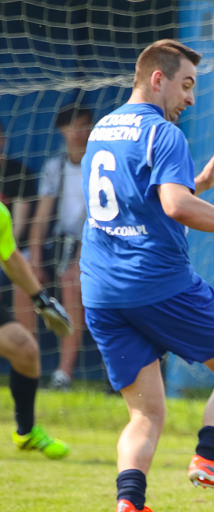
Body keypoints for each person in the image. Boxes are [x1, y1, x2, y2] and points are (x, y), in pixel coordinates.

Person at [79, 39, 214, 512]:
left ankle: (130, 503)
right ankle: (209, 458)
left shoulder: (103, 129)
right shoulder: (162, 134)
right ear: (157, 78)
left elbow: (140, 200)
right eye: (186, 85)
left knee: (145, 413)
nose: (190, 98)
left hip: (101, 290)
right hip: (156, 282)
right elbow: (176, 207)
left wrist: (198, 183)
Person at [28, 104, 94, 390]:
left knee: (71, 282)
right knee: (22, 284)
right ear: (62, 131)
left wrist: (80, 257)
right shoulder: (55, 167)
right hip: (59, 243)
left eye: (85, 125)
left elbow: (98, 218)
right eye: (74, 127)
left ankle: (62, 374)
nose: (80, 133)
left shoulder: (97, 163)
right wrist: (35, 259)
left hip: (91, 244)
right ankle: (27, 364)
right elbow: (42, 217)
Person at [0, 201, 72, 459]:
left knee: (24, 349)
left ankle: (26, 432)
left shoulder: (1, 215)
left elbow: (10, 256)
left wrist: (41, 299)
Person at [0, 121, 38, 310]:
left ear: (3, 140)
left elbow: (17, 230)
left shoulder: (18, 173)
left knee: (24, 274)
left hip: (14, 248)